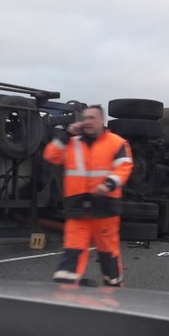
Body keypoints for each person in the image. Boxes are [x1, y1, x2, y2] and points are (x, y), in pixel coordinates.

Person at [42, 104, 133, 287]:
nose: (88, 121)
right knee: (73, 250)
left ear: (103, 121)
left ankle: (114, 289)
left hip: (105, 207)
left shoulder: (117, 143)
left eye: (93, 118)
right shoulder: (71, 142)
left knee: (108, 252)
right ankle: (64, 291)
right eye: (85, 118)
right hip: (77, 207)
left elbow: (124, 166)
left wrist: (108, 184)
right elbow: (51, 155)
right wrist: (66, 134)